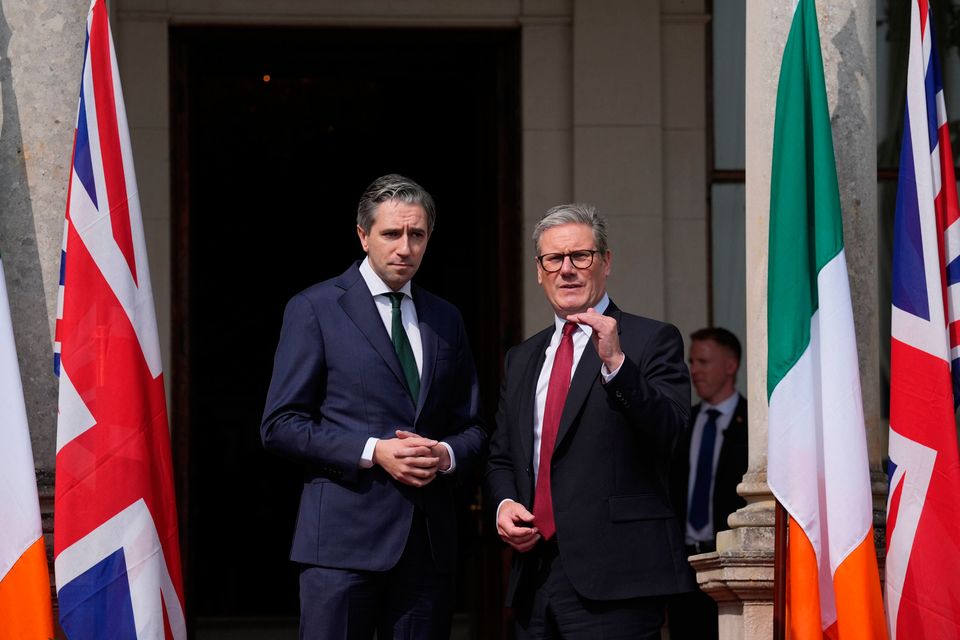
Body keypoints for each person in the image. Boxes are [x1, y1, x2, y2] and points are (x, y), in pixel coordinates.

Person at [260, 174, 487, 639]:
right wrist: (373, 451)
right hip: (341, 549)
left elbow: (473, 427)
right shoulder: (315, 308)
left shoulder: (445, 317)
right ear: (363, 236)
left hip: (426, 547)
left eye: (417, 234)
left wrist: (444, 455)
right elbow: (280, 425)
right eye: (391, 233)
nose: (405, 247)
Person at [485, 203, 695, 639]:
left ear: (606, 262)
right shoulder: (522, 358)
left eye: (581, 256)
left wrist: (617, 364)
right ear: (539, 271)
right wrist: (504, 504)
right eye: (554, 260)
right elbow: (502, 455)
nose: (567, 270)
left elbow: (672, 434)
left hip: (619, 580)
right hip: (535, 580)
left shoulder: (650, 340)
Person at [667, 327, 748, 640]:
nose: (693, 370)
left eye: (702, 361)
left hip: (730, 563)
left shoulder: (754, 425)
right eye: (692, 361)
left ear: (730, 366)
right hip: (684, 567)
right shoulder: (682, 420)